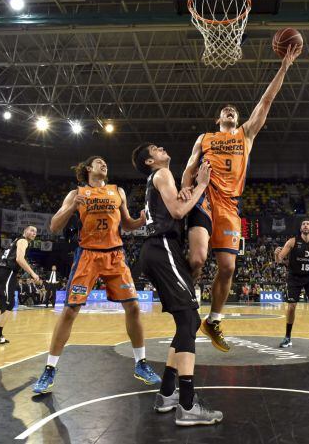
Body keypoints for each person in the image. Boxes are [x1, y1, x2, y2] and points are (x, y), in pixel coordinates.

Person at [179, 44, 303, 352]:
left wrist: (285, 66)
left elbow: (267, 100)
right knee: (196, 259)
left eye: (233, 110)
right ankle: (186, 302)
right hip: (204, 198)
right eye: (225, 111)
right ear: (218, 118)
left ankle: (214, 320)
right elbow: (189, 168)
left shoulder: (245, 135)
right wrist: (185, 188)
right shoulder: (205, 138)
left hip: (231, 207)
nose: (230, 111)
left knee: (228, 268)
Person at [33, 156, 158, 394]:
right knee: (70, 311)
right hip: (87, 256)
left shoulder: (117, 190)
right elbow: (54, 226)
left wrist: (140, 220)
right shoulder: (76, 193)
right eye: (99, 162)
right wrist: (71, 206)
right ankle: (50, 368)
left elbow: (127, 224)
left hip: (115, 256)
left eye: (105, 163)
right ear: (89, 168)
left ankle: (141, 363)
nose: (105, 164)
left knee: (133, 307)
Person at [132, 143, 223, 425]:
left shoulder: (159, 179)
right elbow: (177, 212)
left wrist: (186, 192)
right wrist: (201, 186)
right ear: (150, 161)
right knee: (189, 321)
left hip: (156, 251)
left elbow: (172, 205)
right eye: (156, 149)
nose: (162, 148)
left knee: (189, 322)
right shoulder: (161, 174)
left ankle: (167, 393)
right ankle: (187, 406)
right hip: (162, 248)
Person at [274, 219, 309, 348]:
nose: (306, 226)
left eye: (308, 224)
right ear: (301, 228)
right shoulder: (292, 241)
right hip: (295, 277)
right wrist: (275, 255)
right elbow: (279, 260)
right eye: (303, 224)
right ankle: (288, 337)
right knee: (292, 307)